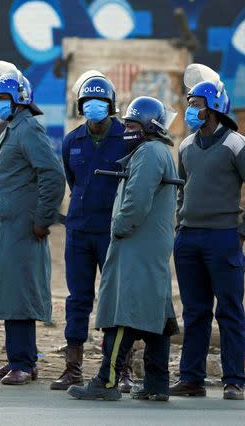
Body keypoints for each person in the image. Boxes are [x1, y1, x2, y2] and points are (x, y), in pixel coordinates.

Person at [67, 96, 178, 402]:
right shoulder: (155, 151)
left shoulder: (148, 153)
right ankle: (157, 383)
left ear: (148, 126)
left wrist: (117, 227)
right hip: (149, 245)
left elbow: (136, 202)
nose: (126, 130)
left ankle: (107, 379)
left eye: (132, 125)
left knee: (123, 312)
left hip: (137, 244)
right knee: (154, 313)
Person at [170, 69, 245, 401]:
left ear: (213, 106)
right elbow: (182, 190)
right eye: (189, 104)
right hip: (188, 239)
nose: (190, 110)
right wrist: (178, 223)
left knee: (229, 310)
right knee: (194, 311)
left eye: (196, 104)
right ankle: (191, 378)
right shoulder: (185, 145)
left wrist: (242, 233)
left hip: (223, 239)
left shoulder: (236, 144)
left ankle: (234, 381)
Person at [0, 62, 65, 386]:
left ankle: (23, 364)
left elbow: (53, 176)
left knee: (18, 295)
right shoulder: (15, 128)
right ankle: (18, 357)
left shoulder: (29, 129)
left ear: (20, 99)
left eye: (4, 97)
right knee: (10, 293)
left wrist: (42, 220)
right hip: (6, 227)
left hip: (21, 227)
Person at [51, 72, 131, 391]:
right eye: (88, 103)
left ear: (111, 106)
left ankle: (120, 367)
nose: (94, 108)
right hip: (79, 231)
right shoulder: (72, 141)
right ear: (80, 107)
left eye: (100, 103)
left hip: (113, 233)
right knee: (78, 299)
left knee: (116, 300)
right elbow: (74, 182)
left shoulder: (127, 138)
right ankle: (73, 367)